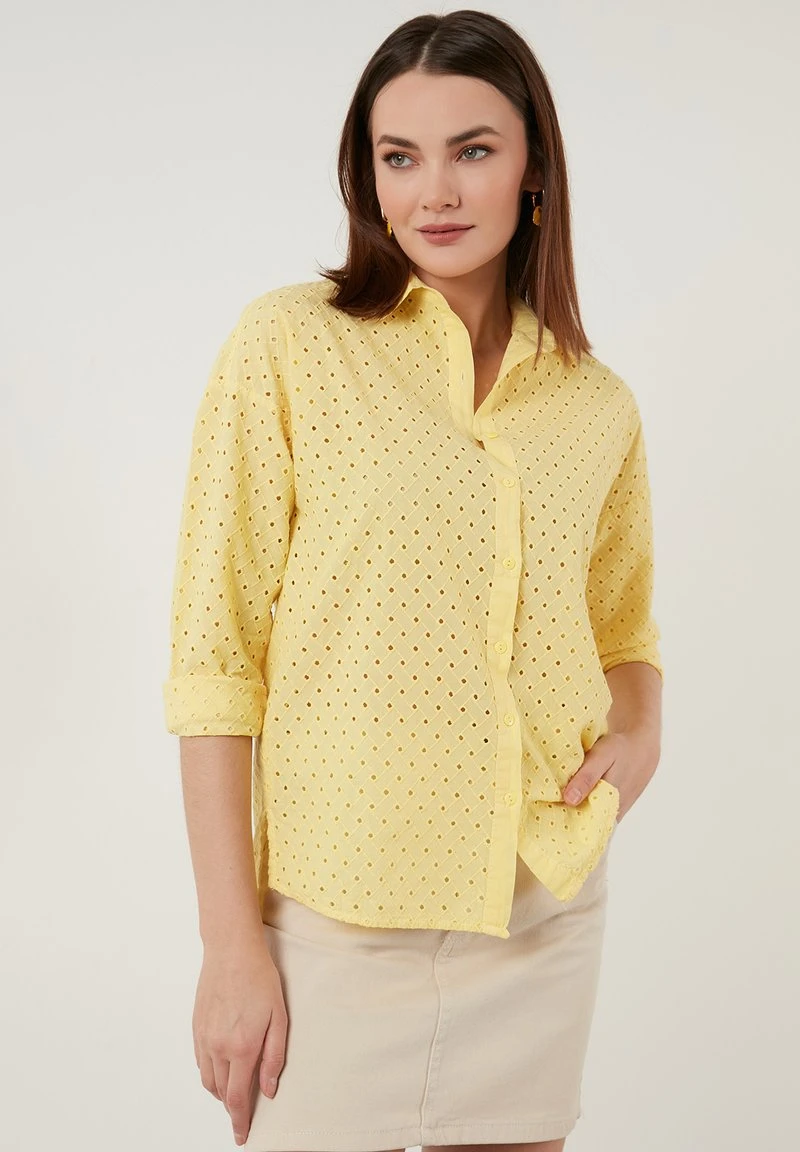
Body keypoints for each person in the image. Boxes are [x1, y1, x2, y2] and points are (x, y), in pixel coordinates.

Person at [162, 9, 664, 1152]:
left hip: (537, 914)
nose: (432, 191)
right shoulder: (288, 346)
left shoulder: (595, 404)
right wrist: (230, 945)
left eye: (471, 150)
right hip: (331, 923)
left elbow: (623, 628)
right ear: (368, 175)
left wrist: (641, 728)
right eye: (399, 156)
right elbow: (214, 659)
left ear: (532, 167)